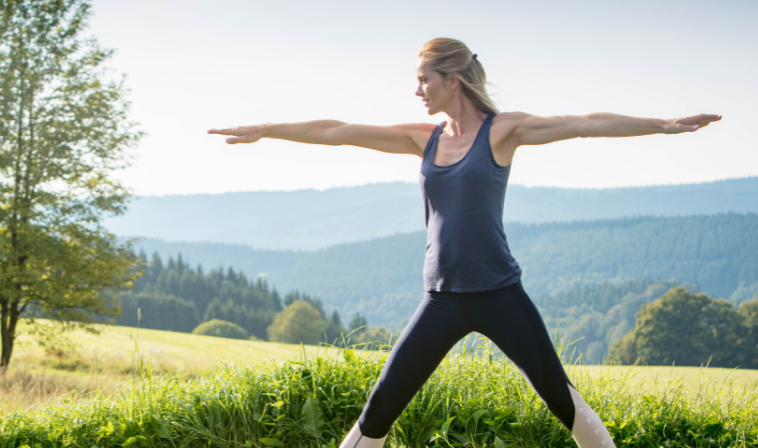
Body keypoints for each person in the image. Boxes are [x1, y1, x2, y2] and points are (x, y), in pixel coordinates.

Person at [208, 38, 721, 448]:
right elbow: (339, 130)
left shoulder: (502, 131)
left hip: (500, 293)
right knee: (381, 407)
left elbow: (582, 124)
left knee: (562, 401)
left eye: (423, 80)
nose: (417, 91)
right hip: (441, 299)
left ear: (451, 80)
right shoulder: (422, 137)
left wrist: (662, 125)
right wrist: (266, 129)